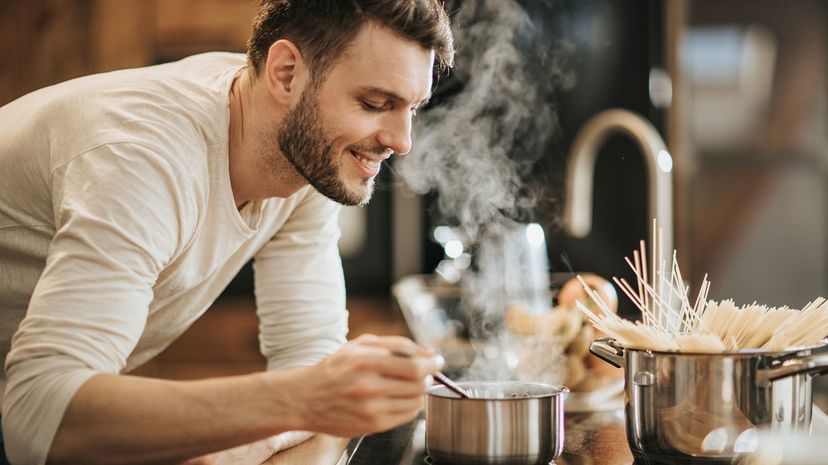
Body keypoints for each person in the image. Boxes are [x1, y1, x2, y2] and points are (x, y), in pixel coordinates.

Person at [0, 0, 454, 463]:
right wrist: (302, 400)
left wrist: (261, 437)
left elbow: (311, 368)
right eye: (376, 103)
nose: (402, 141)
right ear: (285, 73)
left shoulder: (307, 150)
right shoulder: (142, 157)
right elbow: (39, 418)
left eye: (412, 108)